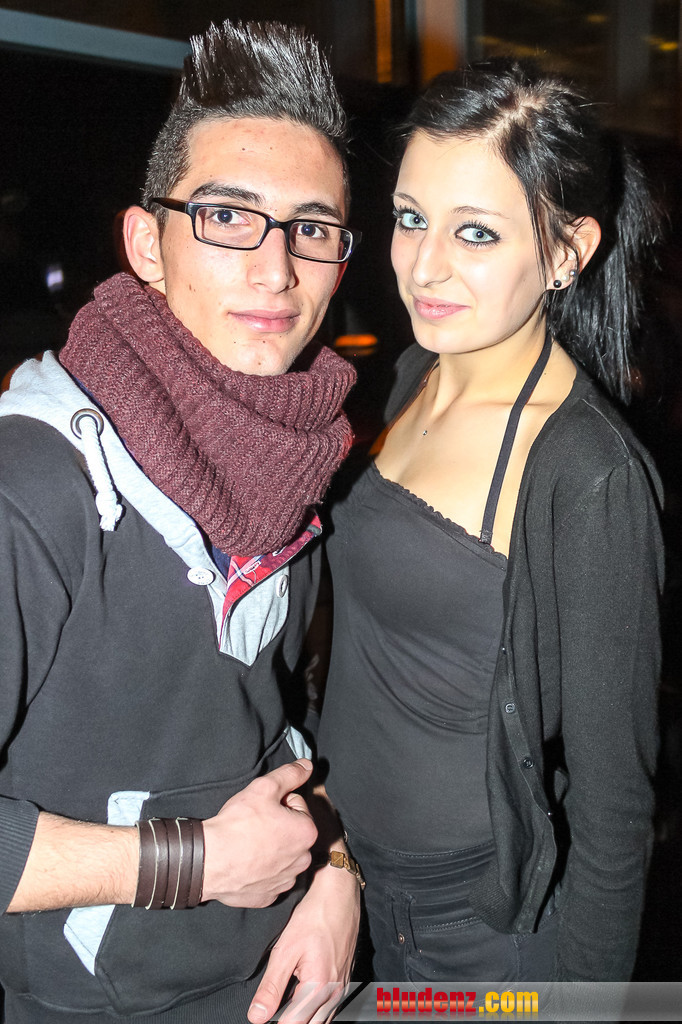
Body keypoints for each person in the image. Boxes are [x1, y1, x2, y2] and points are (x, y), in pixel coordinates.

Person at [0, 19, 363, 1023]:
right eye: (228, 217)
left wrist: (335, 871)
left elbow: (273, 722)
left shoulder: (291, 465)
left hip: (280, 972)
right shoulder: (36, 486)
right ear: (145, 246)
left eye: (312, 229)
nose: (276, 269)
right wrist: (191, 862)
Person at [318, 57, 664, 983]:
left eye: (475, 232)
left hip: (478, 945)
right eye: (411, 218)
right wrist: (333, 859)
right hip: (351, 889)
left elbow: (614, 816)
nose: (423, 265)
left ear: (566, 252)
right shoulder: (409, 378)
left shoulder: (586, 476)